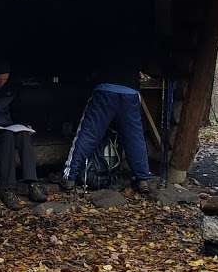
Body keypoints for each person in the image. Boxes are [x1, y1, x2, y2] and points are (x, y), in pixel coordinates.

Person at [63, 35, 158, 194]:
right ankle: (143, 179)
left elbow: (90, 64)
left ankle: (70, 177)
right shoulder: (138, 37)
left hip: (106, 89)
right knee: (134, 137)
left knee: (88, 134)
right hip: (130, 91)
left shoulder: (104, 36)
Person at [0, 60, 47, 210]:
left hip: (8, 126)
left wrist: (25, 124)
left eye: (5, 79)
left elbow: (17, 110)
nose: (2, 82)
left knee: (25, 134)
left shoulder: (10, 88)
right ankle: (7, 188)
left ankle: (32, 183)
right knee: (6, 137)